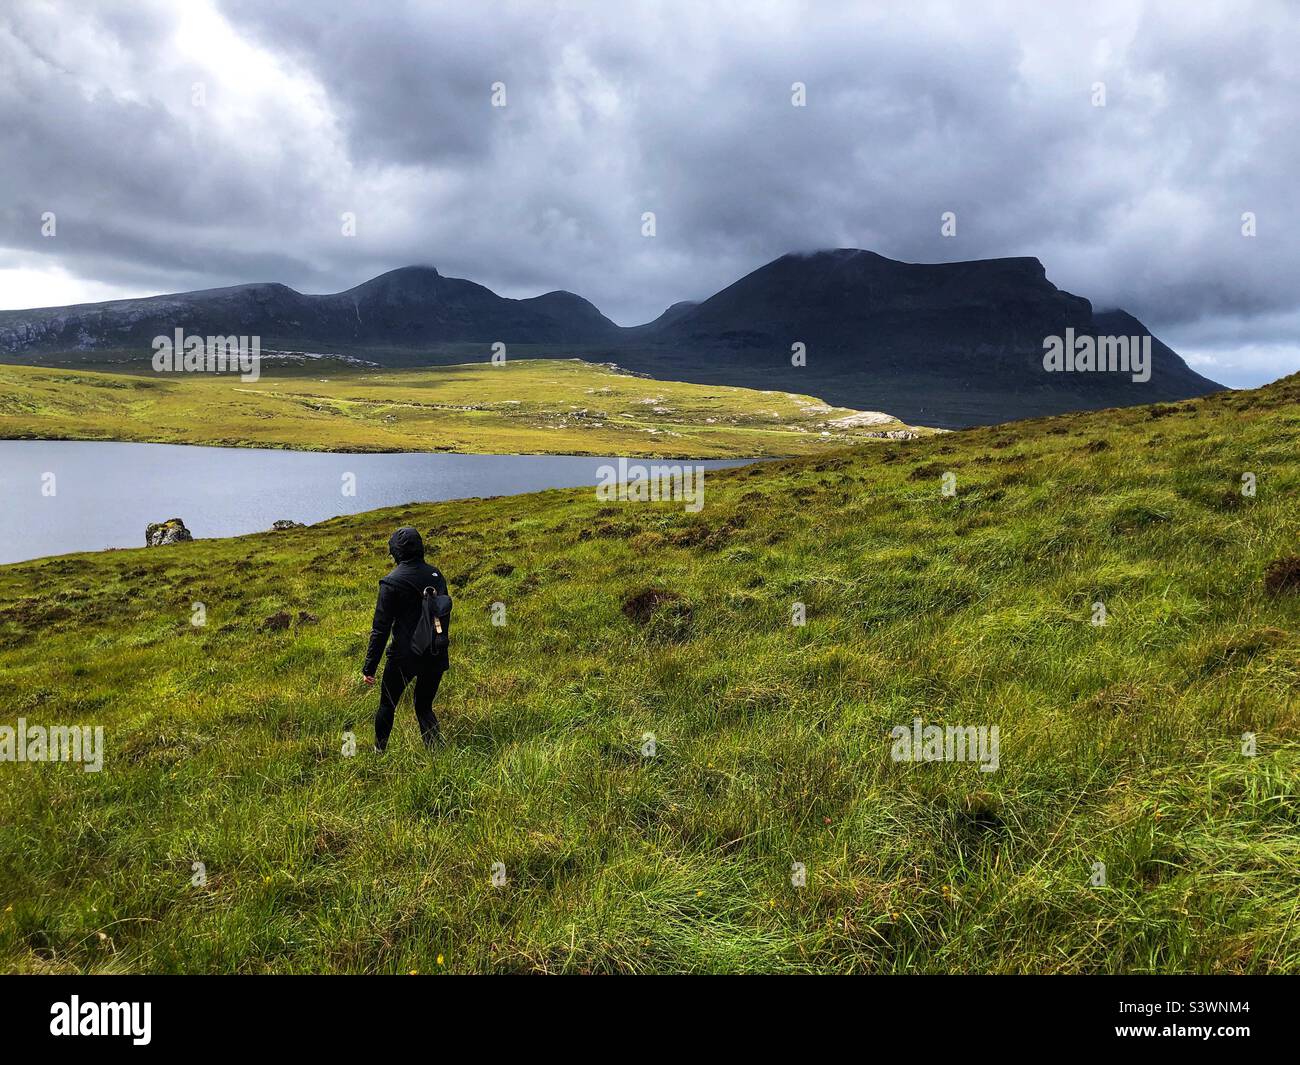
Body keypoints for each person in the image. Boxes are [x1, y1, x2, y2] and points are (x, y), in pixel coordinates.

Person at [362, 526, 449, 751]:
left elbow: (380, 630)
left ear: (396, 552)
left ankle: (379, 751)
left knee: (387, 705)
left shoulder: (390, 583)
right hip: (435, 652)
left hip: (403, 656)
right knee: (424, 706)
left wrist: (369, 668)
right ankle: (436, 753)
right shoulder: (436, 575)